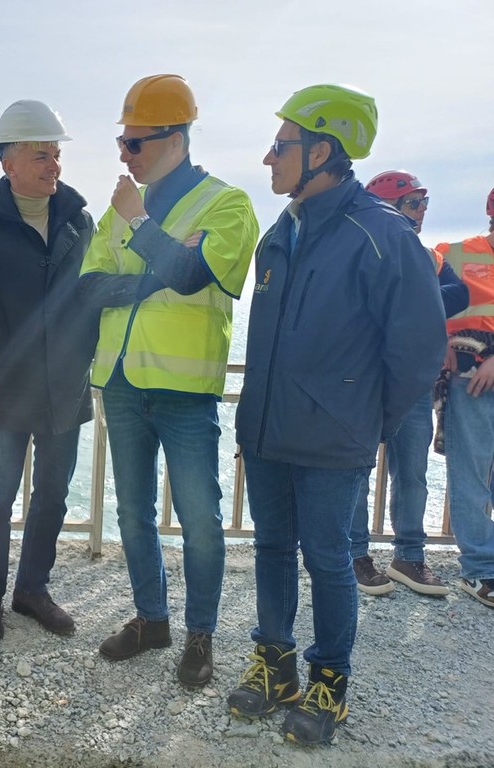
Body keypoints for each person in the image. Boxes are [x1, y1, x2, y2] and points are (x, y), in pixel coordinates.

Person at [229, 84, 446, 745]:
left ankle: (329, 682)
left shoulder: (382, 234)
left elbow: (419, 349)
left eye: (281, 145)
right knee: (271, 549)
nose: (269, 158)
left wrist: (367, 423)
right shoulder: (280, 232)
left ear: (321, 151)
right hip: (267, 430)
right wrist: (254, 418)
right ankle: (275, 666)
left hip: (335, 437)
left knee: (328, 560)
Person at [78, 74, 259, 687]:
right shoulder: (121, 207)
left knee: (201, 519)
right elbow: (91, 286)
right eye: (121, 142)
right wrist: (157, 270)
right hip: (121, 382)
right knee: (132, 511)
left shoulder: (228, 204)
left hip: (185, 390)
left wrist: (139, 225)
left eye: (135, 143)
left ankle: (200, 634)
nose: (124, 155)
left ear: (176, 140)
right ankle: (152, 621)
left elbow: (190, 276)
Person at [0, 100, 100, 646]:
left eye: (56, 154)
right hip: (8, 389)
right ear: (8, 163)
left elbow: (91, 296)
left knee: (53, 495)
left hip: (66, 389)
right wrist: (0, 350)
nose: (55, 165)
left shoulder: (80, 220)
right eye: (41, 156)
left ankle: (32, 589)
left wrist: (82, 352)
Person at [350, 171, 468, 597]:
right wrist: (419, 301)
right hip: (365, 379)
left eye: (424, 203)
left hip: (413, 382)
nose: (422, 211)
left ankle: (409, 557)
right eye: (414, 203)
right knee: (355, 470)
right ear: (388, 207)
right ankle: (354, 555)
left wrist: (408, 299)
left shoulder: (427, 256)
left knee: (413, 474)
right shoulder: (360, 250)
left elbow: (460, 294)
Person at [433, 187, 494, 609]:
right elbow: (425, 300)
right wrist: (441, 340)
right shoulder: (452, 253)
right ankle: (481, 569)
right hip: (469, 378)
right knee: (470, 474)